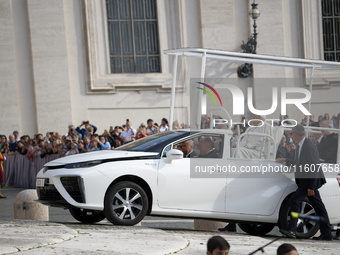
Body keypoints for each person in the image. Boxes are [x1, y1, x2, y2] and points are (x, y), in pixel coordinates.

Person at [277, 125, 332, 240]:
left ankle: (292, 230)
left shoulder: (308, 146)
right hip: (305, 182)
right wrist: (286, 160)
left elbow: (314, 167)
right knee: (319, 208)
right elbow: (300, 163)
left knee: (294, 200)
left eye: (292, 134)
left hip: (309, 183)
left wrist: (311, 186)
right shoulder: (301, 146)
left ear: (296, 134)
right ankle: (326, 234)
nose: (291, 136)